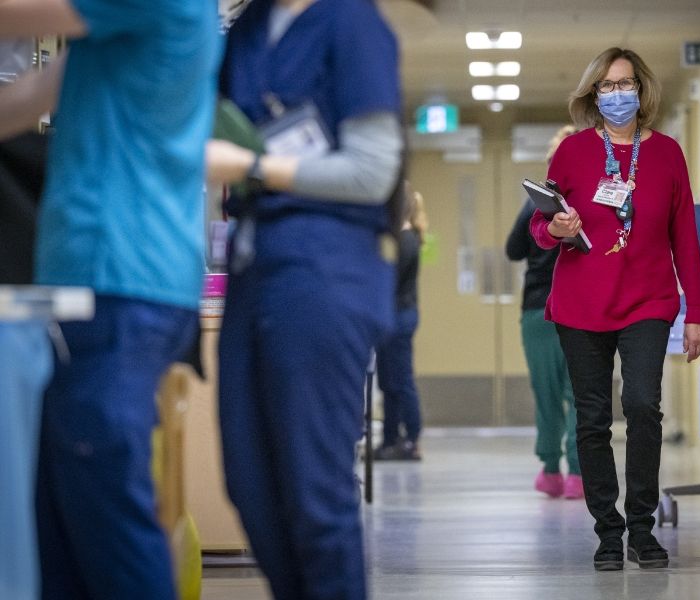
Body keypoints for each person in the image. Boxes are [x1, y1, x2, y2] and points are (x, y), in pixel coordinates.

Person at [0, 2, 221, 598]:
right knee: (61, 523)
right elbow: (28, 97)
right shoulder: (108, 37)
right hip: (91, 285)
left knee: (104, 514)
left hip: (119, 282)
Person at [205, 0, 403, 597]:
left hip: (324, 272)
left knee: (314, 494)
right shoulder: (244, 32)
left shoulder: (351, 23)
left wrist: (253, 165)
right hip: (252, 268)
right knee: (250, 484)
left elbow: (372, 174)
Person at [529, 47, 700, 571]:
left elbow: (685, 239)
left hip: (649, 301)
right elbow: (543, 226)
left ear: (642, 89)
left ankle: (641, 527)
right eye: (606, 87)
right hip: (581, 301)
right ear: (592, 94)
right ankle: (608, 532)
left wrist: (696, 310)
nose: (616, 94)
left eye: (625, 84)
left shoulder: (669, 153)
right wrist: (555, 229)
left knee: (643, 406)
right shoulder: (572, 153)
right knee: (591, 419)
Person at [506, 124, 584, 499]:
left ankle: (551, 469)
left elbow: (512, 250)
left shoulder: (537, 201)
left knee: (548, 393)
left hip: (538, 310)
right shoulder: (597, 197)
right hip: (582, 309)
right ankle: (578, 475)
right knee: (583, 393)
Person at [373, 184, 427, 461]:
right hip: (396, 314)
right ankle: (391, 437)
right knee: (388, 379)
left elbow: (390, 282)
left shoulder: (405, 240)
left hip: (400, 315)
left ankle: (412, 437)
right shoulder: (404, 237)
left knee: (400, 379)